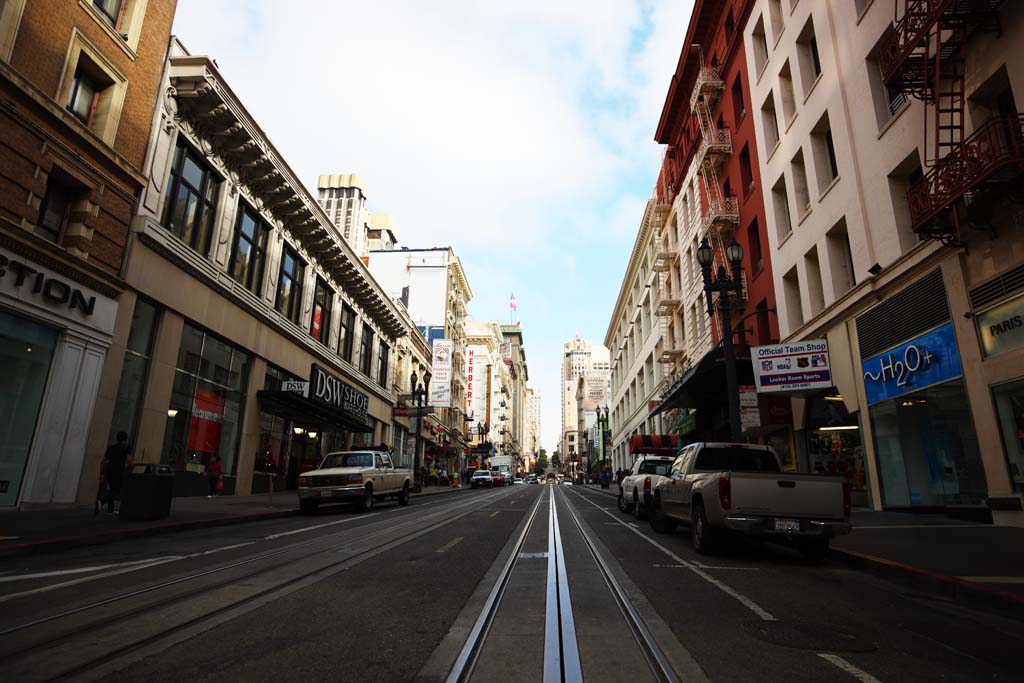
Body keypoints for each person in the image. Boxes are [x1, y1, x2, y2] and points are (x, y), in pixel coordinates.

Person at [100, 432, 132, 514]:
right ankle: (101, 501)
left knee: (112, 488)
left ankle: (110, 509)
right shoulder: (126, 447)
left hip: (110, 470)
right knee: (117, 490)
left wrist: (102, 473)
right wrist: (130, 466)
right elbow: (129, 460)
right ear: (125, 438)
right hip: (119, 470)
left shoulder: (111, 448)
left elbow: (103, 461)